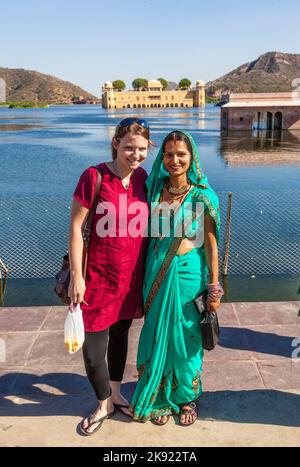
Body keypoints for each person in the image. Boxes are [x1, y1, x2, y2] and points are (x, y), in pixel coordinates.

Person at [130, 130, 223, 426]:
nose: (174, 160)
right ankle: (158, 397)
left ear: (192, 157)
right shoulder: (154, 189)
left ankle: (186, 398)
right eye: (168, 154)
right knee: (157, 334)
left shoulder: (202, 195)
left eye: (181, 154)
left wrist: (215, 286)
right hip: (156, 274)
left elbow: (210, 243)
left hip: (188, 277)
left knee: (186, 338)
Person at [68, 118, 151, 435]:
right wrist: (78, 275)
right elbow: (76, 227)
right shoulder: (95, 176)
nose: (135, 154)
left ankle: (116, 393)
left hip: (130, 280)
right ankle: (103, 402)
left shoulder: (143, 178)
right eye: (129, 147)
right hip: (97, 279)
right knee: (92, 351)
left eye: (142, 149)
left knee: (120, 339)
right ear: (116, 142)